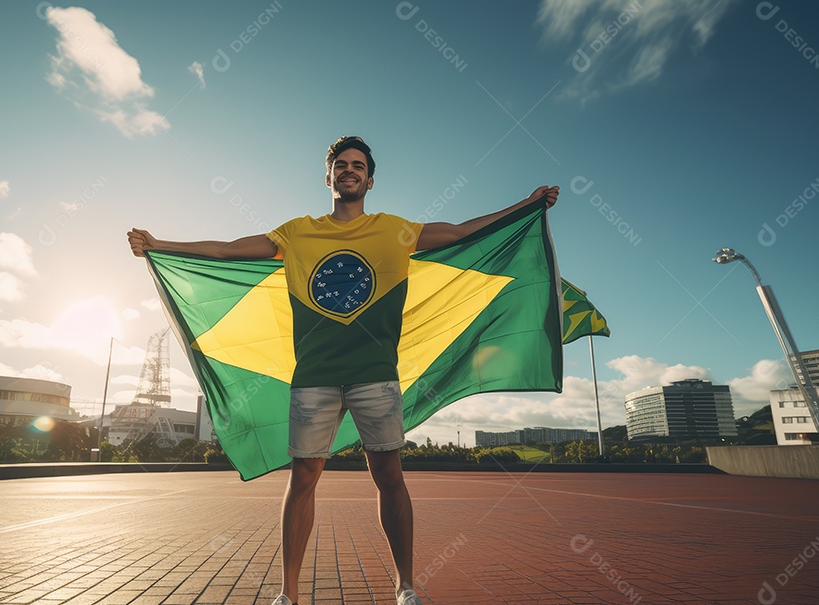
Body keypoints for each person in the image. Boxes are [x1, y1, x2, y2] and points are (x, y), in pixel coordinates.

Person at [128, 136, 558, 605]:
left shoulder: (395, 230)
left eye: (358, 165)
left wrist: (526, 205)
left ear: (369, 180)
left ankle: (405, 586)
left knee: (389, 476)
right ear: (328, 176)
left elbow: (458, 233)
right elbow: (231, 249)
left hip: (376, 374)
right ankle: (289, 595)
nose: (349, 170)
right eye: (341, 164)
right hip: (314, 377)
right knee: (303, 479)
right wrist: (160, 244)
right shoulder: (296, 233)